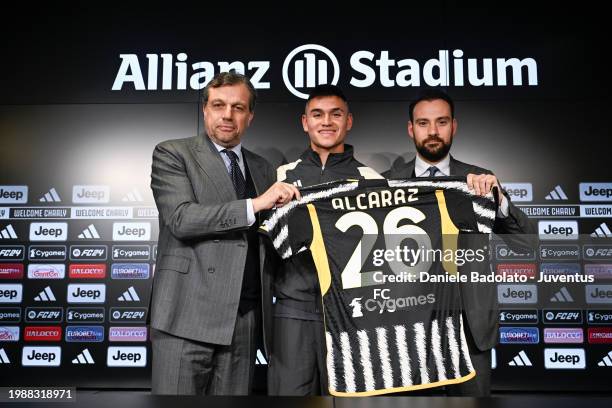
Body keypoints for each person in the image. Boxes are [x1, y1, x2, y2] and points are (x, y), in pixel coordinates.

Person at [149, 71, 300, 395]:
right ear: (205, 110)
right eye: (219, 105)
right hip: (185, 317)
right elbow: (181, 218)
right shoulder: (173, 153)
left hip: (243, 322)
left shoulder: (263, 167)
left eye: (238, 107)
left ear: (250, 115)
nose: (228, 115)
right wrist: (256, 204)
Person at [384, 88, 535, 397]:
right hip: (408, 327)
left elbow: (528, 245)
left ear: (454, 126)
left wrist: (500, 201)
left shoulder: (480, 180)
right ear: (411, 129)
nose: (433, 131)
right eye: (424, 123)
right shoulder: (386, 183)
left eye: (441, 122)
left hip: (469, 328)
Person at [268, 84, 382, 396]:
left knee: (351, 397)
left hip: (352, 312)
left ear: (349, 121)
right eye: (317, 115)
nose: (327, 122)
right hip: (295, 308)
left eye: (336, 114)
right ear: (305, 122)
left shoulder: (373, 180)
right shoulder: (279, 176)